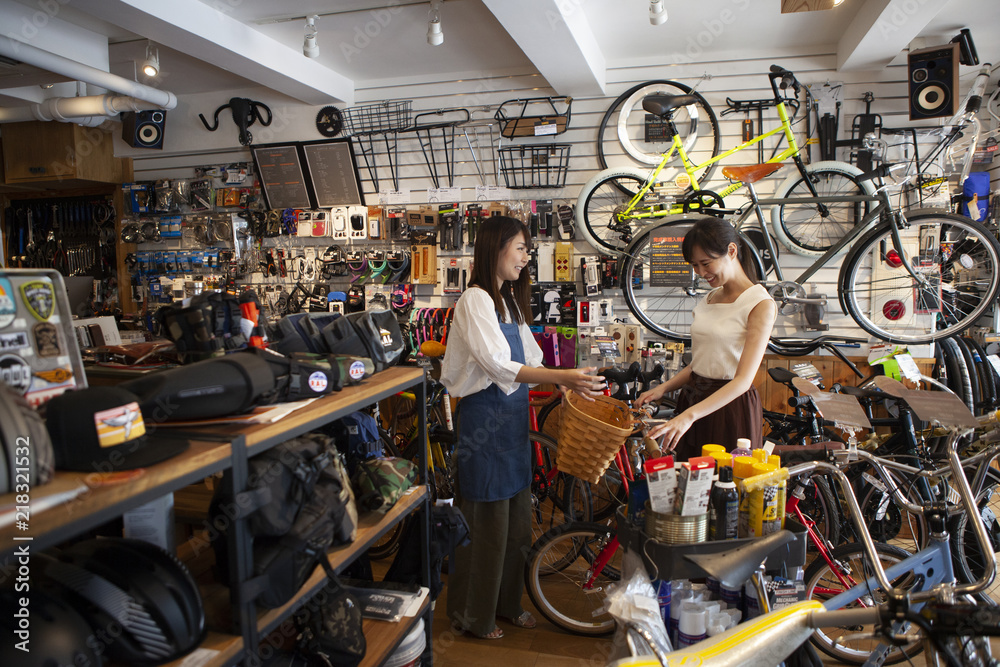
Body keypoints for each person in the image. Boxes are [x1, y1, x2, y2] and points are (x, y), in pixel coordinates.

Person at [440, 215, 605, 640]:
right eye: (520, 247)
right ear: (495, 248)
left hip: (512, 424)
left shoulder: (509, 301)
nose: (526, 256)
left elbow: (533, 358)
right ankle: (473, 615)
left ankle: (508, 603)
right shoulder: (475, 301)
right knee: (483, 526)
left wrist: (570, 384)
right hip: (483, 421)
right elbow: (499, 365)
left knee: (514, 523)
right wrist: (563, 378)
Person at [637, 216, 776, 461]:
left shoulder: (760, 304)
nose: (700, 273)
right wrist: (663, 388)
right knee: (686, 482)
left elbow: (743, 380)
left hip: (730, 408)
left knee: (723, 488)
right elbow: (699, 364)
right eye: (694, 265)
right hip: (693, 400)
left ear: (731, 251)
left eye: (705, 263)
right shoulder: (709, 298)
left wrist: (689, 416)